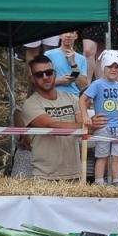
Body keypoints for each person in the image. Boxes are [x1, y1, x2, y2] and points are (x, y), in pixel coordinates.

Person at [19, 53, 100, 181]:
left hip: (75, 174)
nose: (45, 77)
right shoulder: (30, 104)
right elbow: (53, 126)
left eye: (49, 72)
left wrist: (91, 124)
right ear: (32, 79)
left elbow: (85, 128)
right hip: (44, 177)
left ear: (55, 73)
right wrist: (89, 124)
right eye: (39, 74)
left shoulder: (71, 98)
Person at [82, 50, 118, 186]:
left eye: (117, 67)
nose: (113, 70)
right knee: (101, 155)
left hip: (117, 126)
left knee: (117, 156)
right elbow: (83, 99)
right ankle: (99, 181)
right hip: (103, 125)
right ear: (103, 67)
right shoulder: (97, 84)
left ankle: (117, 180)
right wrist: (85, 116)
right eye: (110, 66)